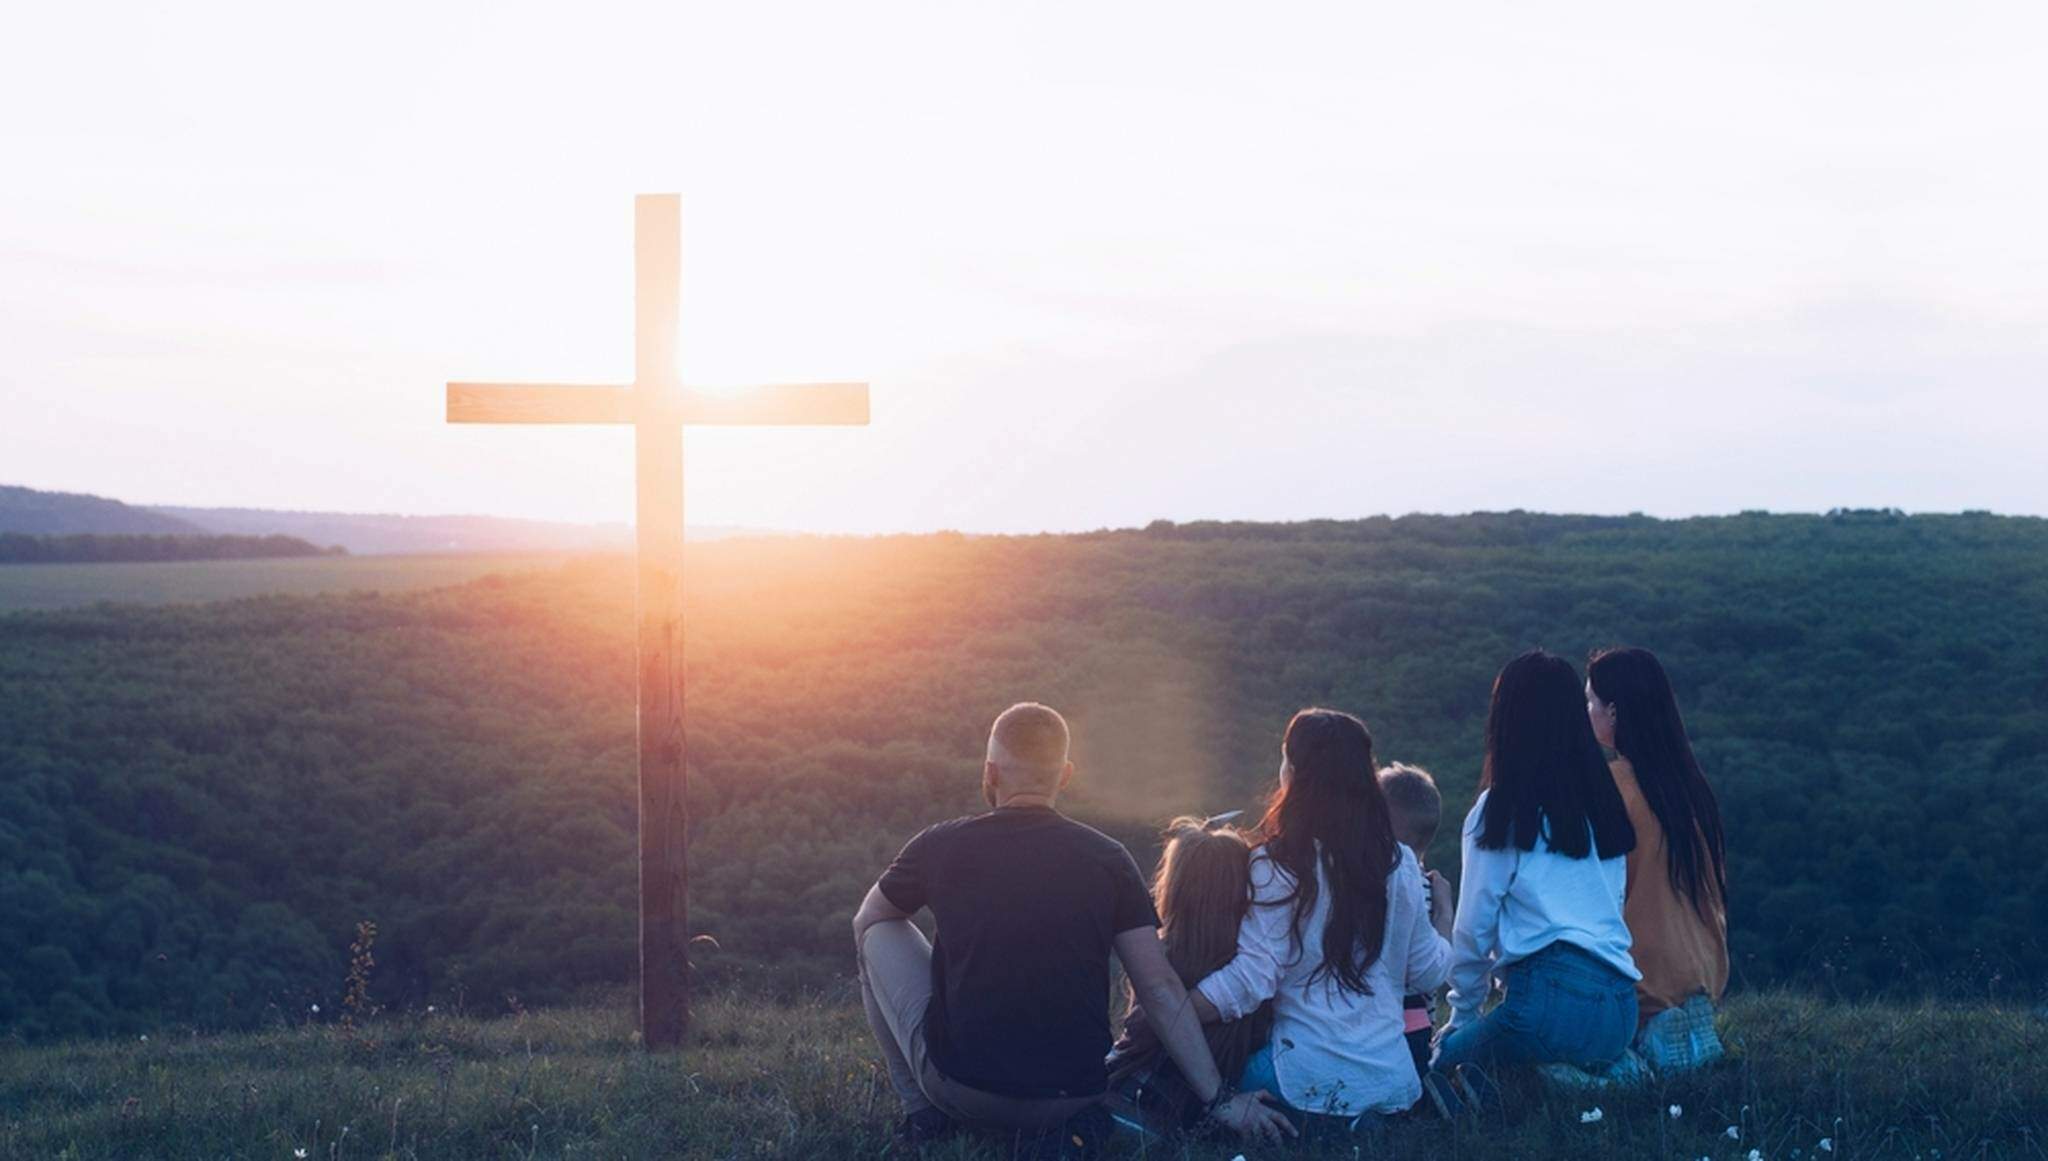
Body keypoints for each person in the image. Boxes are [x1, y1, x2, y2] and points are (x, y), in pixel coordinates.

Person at [852, 702, 1293, 1150]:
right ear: (1064, 775)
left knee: (876, 933)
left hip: (962, 1090)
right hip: (1077, 1098)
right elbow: (1159, 989)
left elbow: (868, 921)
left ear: (990, 773)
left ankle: (923, 1116)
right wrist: (1219, 1099)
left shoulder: (938, 844)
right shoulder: (1109, 858)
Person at [1189, 709, 1453, 1135]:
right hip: (1393, 1082)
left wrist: (1179, 1010)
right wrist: (1444, 913)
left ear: (1294, 773)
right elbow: (1426, 971)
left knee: (1204, 1083)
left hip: (1301, 1078)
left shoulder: (1278, 863)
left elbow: (1255, 977)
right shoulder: (1400, 863)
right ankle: (1365, 1124)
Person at [1434, 651, 1641, 1076]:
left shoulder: (1501, 810)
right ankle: (1599, 1077)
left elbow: (1473, 928)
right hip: (1620, 1007)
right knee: (1524, 1060)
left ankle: (1552, 1079)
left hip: (1549, 997)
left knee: (1442, 1066)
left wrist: (1463, 1016)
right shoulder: (1603, 807)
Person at [1586, 646, 1730, 1069]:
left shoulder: (1612, 785)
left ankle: (1647, 1034)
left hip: (1642, 973)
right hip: (1706, 969)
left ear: (1613, 712)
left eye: (1590, 702)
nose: (1586, 711)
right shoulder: (1691, 787)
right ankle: (1684, 1021)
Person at [1104, 816, 1274, 1134]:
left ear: (1174, 886)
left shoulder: (1157, 960)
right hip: (1184, 1118)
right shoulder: (1254, 978)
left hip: (1119, 1101)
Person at [1377, 762, 1452, 1084]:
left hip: (1388, 1026)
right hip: (1419, 1029)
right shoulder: (1431, 888)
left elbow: (1428, 971)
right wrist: (1444, 913)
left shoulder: (1383, 883)